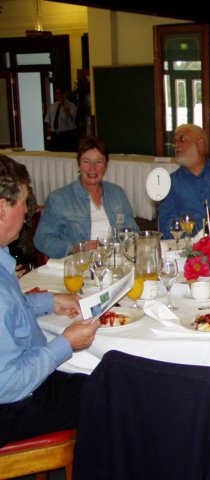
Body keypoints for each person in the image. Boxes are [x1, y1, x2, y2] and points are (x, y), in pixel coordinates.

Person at [0, 154, 100, 447]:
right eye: (24, 203)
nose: (27, 212)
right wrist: (66, 343)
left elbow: (10, 310)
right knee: (109, 392)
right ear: (3, 208)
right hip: (13, 407)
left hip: (22, 386)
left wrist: (51, 301)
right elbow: (9, 384)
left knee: (99, 373)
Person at [34, 136, 138, 259]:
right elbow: (42, 239)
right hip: (80, 263)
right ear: (78, 164)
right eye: (86, 162)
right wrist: (77, 248)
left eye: (98, 162)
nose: (92, 168)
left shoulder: (118, 194)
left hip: (117, 262)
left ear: (106, 165)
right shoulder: (58, 199)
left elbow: (133, 232)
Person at [44, 87, 77, 152]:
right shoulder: (52, 106)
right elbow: (48, 121)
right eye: (57, 93)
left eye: (61, 93)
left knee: (67, 154)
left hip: (67, 135)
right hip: (55, 135)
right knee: (55, 154)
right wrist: (48, 134)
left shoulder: (71, 105)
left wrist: (63, 106)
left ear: (64, 94)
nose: (59, 95)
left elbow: (72, 118)